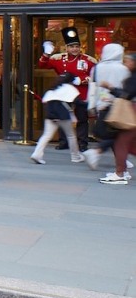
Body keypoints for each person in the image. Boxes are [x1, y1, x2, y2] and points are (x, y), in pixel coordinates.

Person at [38, 30, 95, 151]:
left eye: (77, 46)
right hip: (64, 93)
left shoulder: (87, 60)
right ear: (66, 48)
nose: (75, 49)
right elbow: (42, 65)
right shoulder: (59, 59)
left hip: (81, 92)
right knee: (63, 118)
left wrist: (82, 80)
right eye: (72, 47)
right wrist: (47, 53)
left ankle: (82, 143)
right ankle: (63, 142)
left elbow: (95, 75)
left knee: (82, 119)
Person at [85, 42, 129, 170]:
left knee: (113, 133)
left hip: (102, 103)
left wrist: (91, 104)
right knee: (118, 134)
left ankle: (120, 160)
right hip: (119, 104)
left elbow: (93, 87)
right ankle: (97, 152)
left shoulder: (97, 68)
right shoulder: (123, 69)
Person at [99, 50, 136, 185]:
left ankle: (120, 173)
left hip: (132, 112)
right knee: (130, 143)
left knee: (121, 143)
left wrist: (110, 88)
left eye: (128, 61)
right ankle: (122, 171)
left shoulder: (133, 78)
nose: (126, 63)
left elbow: (126, 95)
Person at [30, 76, 82, 165]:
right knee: (71, 136)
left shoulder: (52, 89)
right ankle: (75, 156)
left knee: (46, 135)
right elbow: (78, 102)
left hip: (50, 114)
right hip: (63, 114)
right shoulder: (70, 88)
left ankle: (37, 154)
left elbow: (45, 101)